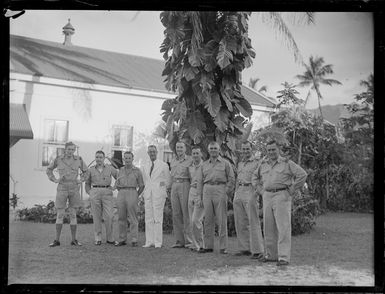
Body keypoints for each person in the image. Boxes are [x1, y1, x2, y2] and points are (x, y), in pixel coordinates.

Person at [252, 140, 307, 266]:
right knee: (268, 226)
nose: (271, 152)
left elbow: (302, 175)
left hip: (282, 196)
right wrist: (260, 190)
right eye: (269, 150)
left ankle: (283, 257)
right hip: (267, 196)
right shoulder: (263, 164)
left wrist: (292, 190)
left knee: (283, 227)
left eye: (273, 149)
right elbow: (254, 177)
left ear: (279, 150)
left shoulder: (287, 163)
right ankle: (271, 255)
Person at [46, 141, 88, 247]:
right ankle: (56, 240)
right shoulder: (58, 159)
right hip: (62, 188)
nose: (70, 151)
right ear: (65, 149)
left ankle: (74, 240)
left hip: (74, 188)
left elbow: (86, 171)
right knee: (60, 214)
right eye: (69, 149)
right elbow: (49, 169)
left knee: (73, 214)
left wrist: (81, 180)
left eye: (72, 149)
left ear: (74, 150)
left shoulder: (79, 159)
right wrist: (54, 179)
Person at [196, 141, 235, 254]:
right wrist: (200, 195)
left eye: (215, 148)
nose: (213, 150)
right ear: (208, 150)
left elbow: (231, 179)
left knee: (222, 220)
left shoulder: (225, 163)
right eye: (211, 148)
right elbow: (199, 181)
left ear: (219, 150)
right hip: (207, 190)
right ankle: (208, 246)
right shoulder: (204, 165)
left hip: (220, 189)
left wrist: (226, 192)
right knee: (207, 220)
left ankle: (223, 247)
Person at [233, 141, 264, 259]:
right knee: (240, 222)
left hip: (250, 191)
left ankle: (257, 250)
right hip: (239, 191)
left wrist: (257, 193)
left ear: (251, 149)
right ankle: (244, 248)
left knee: (253, 221)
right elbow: (237, 178)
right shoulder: (240, 163)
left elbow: (260, 179)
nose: (245, 151)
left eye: (247, 149)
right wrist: (235, 193)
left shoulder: (257, 163)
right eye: (243, 149)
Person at [141, 145, 171, 248]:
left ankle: (158, 242)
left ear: (157, 152)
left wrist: (159, 186)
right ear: (148, 153)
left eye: (154, 151)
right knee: (148, 217)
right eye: (150, 152)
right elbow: (145, 181)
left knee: (158, 218)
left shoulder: (163, 165)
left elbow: (167, 182)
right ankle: (149, 241)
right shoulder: (145, 165)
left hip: (159, 194)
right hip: (148, 194)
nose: (152, 153)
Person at [85, 150, 118, 245]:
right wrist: (90, 193)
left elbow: (118, 177)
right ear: (95, 158)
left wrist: (114, 187)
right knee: (96, 216)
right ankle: (98, 238)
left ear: (104, 158)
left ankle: (110, 238)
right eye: (97, 157)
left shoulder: (110, 168)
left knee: (109, 216)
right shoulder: (90, 170)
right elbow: (87, 184)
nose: (98, 159)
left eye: (100, 157)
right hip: (95, 193)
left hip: (107, 193)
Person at [113, 151, 145, 247]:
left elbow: (142, 185)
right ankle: (122, 239)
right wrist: (121, 191)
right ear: (124, 159)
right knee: (121, 217)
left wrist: (136, 195)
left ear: (132, 159)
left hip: (132, 192)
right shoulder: (120, 170)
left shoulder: (137, 171)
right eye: (125, 158)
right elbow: (117, 184)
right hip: (121, 193)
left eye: (129, 158)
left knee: (133, 218)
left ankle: (134, 239)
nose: (127, 160)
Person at [170, 141, 193, 248]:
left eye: (181, 147)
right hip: (174, 185)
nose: (179, 149)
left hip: (185, 184)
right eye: (177, 147)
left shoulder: (190, 160)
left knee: (186, 213)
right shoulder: (173, 160)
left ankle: (189, 241)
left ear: (185, 149)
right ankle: (179, 241)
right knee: (176, 214)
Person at [187, 146, 205, 252]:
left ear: (201, 154)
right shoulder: (190, 166)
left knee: (196, 220)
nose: (195, 155)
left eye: (197, 153)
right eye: (193, 153)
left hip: (200, 192)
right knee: (191, 220)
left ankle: (201, 244)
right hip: (191, 191)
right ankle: (194, 244)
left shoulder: (205, 166)